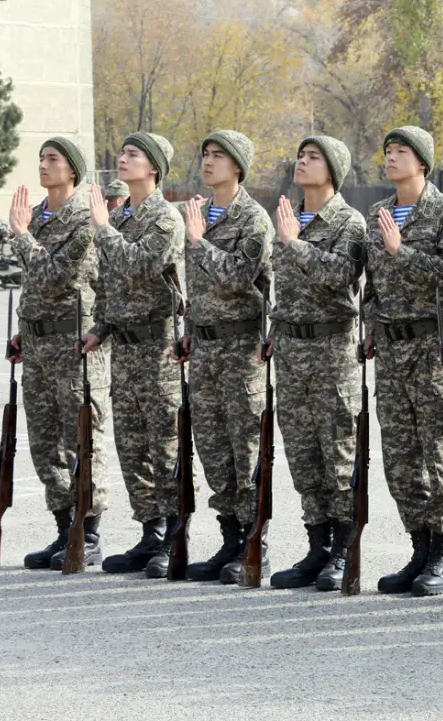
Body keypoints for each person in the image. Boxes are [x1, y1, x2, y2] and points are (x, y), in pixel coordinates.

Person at [362, 126, 443, 596]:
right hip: (390, 350)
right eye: (388, 150)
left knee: (436, 454)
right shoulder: (377, 213)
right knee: (400, 458)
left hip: (429, 348)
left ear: (422, 161)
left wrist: (401, 252)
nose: (391, 157)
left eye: (401, 151)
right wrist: (371, 324)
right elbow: (370, 282)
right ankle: (419, 547)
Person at [81, 132, 185, 578]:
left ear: (154, 168)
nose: (123, 159)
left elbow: (140, 265)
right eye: (122, 153)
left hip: (158, 348)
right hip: (124, 346)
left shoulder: (165, 218)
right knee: (132, 445)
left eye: (133, 154)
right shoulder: (121, 217)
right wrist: (100, 327)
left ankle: (175, 536)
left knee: (164, 444)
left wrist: (102, 229)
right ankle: (150, 532)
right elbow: (109, 284)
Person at [267, 135, 367, 592]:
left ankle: (344, 548)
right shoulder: (289, 215)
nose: (302, 162)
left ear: (333, 170)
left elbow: (341, 277)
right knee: (303, 454)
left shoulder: (348, 222)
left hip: (330, 351)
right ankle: (318, 545)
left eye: (313, 158)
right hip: (291, 351)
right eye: (300, 155)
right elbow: (283, 288)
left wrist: (294, 244)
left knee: (337, 452)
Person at [7, 137, 110, 569]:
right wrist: (22, 332)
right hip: (38, 347)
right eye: (41, 159)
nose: (44, 165)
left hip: (73, 347)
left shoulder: (84, 220)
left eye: (53, 159)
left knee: (81, 440)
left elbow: (55, 275)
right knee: (45, 444)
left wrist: (22, 236)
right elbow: (33, 287)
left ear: (73, 170)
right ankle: (64, 527)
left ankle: (89, 533)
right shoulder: (34, 217)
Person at [180, 130, 275, 584]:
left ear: (238, 166)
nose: (208, 162)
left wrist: (200, 242)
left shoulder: (253, 218)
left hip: (239, 350)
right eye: (205, 154)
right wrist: (188, 332)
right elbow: (193, 287)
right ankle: (229, 538)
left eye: (219, 156)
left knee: (245, 449)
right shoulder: (198, 214)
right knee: (213, 448)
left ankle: (255, 544)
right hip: (204, 349)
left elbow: (239, 277)